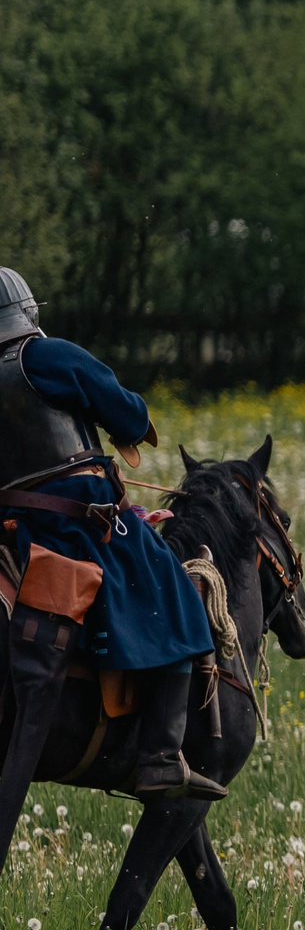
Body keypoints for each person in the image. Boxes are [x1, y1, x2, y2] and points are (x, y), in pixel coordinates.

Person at [0, 269, 218, 798]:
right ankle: (162, 753)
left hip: (10, 531)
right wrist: (130, 424)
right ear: (27, 313)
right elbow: (127, 408)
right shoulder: (43, 358)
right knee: (169, 578)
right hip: (73, 523)